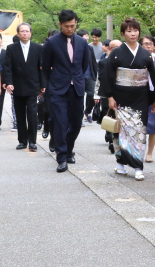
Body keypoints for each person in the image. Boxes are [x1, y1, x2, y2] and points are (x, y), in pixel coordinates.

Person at [100, 19, 155, 180]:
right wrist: (110, 97)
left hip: (141, 96)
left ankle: (138, 166)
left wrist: (154, 99)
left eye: (135, 30)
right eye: (129, 31)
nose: (133, 33)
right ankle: (120, 164)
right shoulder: (117, 53)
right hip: (121, 97)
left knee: (139, 131)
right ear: (123, 33)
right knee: (121, 131)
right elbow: (108, 76)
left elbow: (151, 79)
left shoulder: (146, 54)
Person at [41, 9, 93, 173]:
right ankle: (61, 158)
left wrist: (78, 78)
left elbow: (84, 65)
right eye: (66, 26)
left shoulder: (82, 43)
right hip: (58, 89)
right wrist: (51, 84)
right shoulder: (51, 42)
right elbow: (46, 67)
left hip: (76, 87)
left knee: (76, 123)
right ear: (60, 25)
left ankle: (69, 149)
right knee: (61, 123)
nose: (70, 29)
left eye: (72, 25)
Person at [2, 22, 45, 151]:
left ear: (31, 33)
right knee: (20, 114)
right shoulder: (11, 48)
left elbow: (41, 68)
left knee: (32, 114)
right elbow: (7, 67)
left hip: (33, 85)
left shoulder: (38, 48)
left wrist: (43, 84)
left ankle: (32, 141)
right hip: (18, 85)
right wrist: (9, 83)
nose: (25, 33)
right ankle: (22, 141)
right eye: (22, 31)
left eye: (27, 31)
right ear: (18, 33)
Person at [141, 35, 155, 163]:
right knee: (140, 125)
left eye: (151, 44)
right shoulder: (137, 60)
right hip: (139, 97)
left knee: (154, 126)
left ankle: (149, 153)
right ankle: (139, 151)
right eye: (145, 44)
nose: (149, 46)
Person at [97, 40, 122, 154]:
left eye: (119, 47)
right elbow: (101, 79)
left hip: (123, 93)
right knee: (110, 115)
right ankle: (111, 138)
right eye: (114, 47)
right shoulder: (103, 62)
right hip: (109, 93)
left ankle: (116, 139)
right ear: (110, 49)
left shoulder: (126, 61)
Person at [78, 29, 99, 123]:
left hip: (90, 76)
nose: (87, 37)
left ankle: (87, 111)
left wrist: (95, 74)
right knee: (80, 97)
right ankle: (80, 116)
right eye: (85, 36)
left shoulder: (90, 48)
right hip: (79, 77)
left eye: (87, 35)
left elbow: (93, 62)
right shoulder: (75, 47)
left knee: (92, 95)